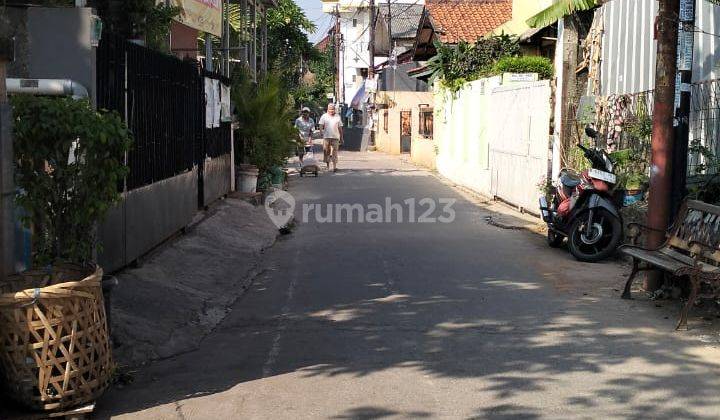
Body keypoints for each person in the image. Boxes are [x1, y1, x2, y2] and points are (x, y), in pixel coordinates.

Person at [319, 103, 344, 172]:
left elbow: (340, 128)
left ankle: (334, 167)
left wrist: (341, 138)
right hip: (326, 137)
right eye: (330, 109)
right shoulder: (324, 116)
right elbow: (321, 124)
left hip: (335, 137)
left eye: (333, 109)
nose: (331, 110)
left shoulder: (337, 116)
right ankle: (328, 166)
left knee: (335, 152)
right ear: (328, 109)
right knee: (326, 151)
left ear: (334, 109)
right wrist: (321, 132)